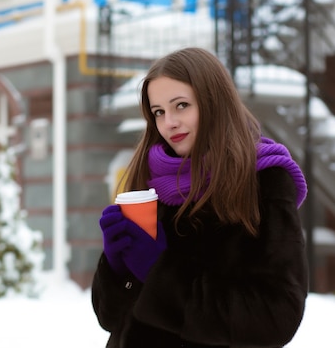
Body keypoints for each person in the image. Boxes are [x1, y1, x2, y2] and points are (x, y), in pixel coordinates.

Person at [91, 47, 308, 348]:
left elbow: (275, 317)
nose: (169, 122)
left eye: (181, 105)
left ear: (214, 102)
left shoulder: (263, 181)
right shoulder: (152, 181)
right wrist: (116, 269)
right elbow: (110, 318)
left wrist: (159, 270)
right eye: (158, 112)